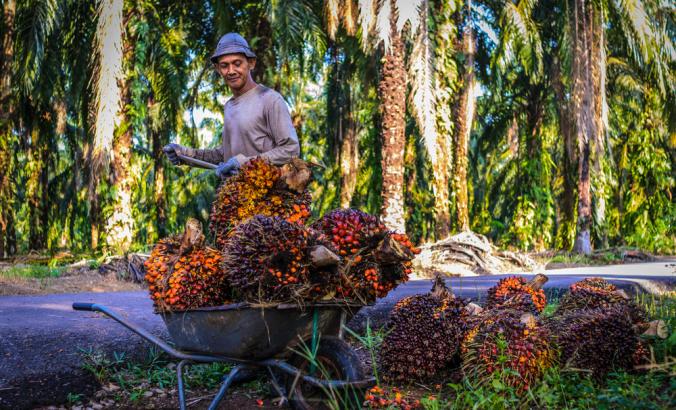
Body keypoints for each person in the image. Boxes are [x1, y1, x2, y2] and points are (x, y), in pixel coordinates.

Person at [163, 33, 300, 178]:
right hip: (237, 196)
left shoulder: (270, 99)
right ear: (218, 69)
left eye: (237, 63)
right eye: (224, 65)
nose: (231, 71)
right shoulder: (229, 106)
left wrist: (244, 163)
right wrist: (182, 154)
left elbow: (290, 149)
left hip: (268, 196)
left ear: (251, 63)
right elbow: (225, 156)